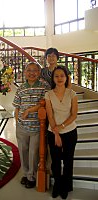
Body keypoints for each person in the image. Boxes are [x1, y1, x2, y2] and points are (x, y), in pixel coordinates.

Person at [12, 62, 49, 189]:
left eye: (34, 70)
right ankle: (26, 173)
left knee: (34, 153)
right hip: (22, 127)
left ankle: (31, 177)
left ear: (39, 73)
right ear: (25, 72)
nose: (31, 73)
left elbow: (44, 103)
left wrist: (29, 110)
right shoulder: (21, 87)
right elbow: (17, 107)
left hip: (37, 127)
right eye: (29, 70)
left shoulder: (44, 86)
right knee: (23, 151)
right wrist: (17, 122)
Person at [45, 65, 78, 199]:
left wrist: (62, 126)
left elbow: (74, 114)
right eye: (56, 76)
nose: (59, 78)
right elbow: (50, 116)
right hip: (53, 132)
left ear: (66, 77)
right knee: (56, 161)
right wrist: (56, 133)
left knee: (68, 161)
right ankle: (57, 185)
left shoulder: (72, 94)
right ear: (53, 78)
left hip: (70, 131)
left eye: (62, 76)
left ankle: (66, 186)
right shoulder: (48, 94)